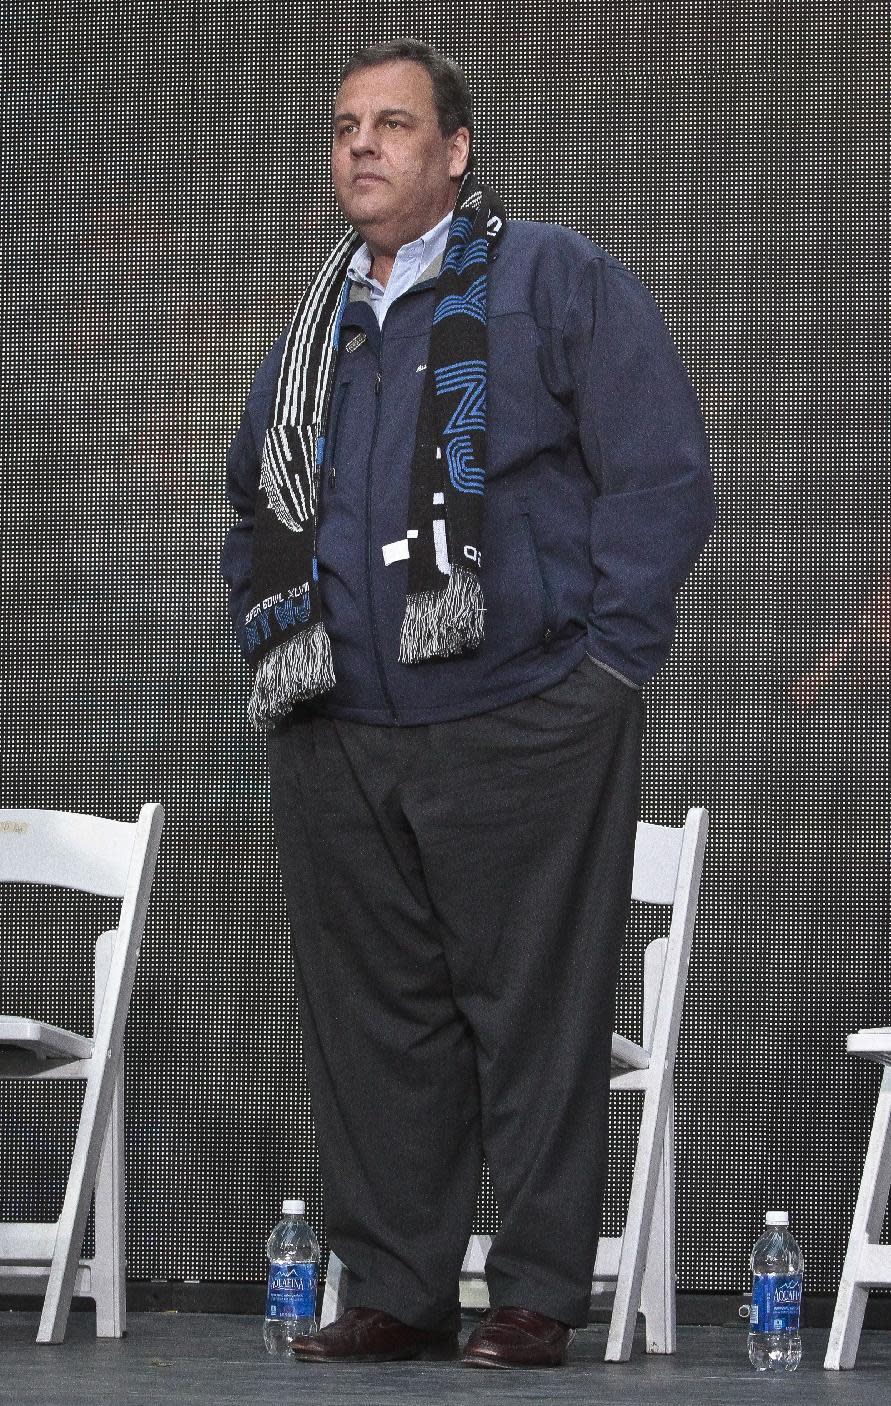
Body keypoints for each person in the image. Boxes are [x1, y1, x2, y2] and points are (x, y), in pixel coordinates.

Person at [221, 39, 714, 1370]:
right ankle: (398, 1289)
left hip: (521, 712)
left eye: (391, 124)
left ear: (457, 150)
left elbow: (661, 472)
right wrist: (279, 656)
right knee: (375, 1024)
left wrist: (606, 666)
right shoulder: (317, 320)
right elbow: (254, 506)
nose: (360, 146)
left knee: (535, 1013)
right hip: (341, 727)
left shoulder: (553, 277)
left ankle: (539, 1291)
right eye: (342, 127)